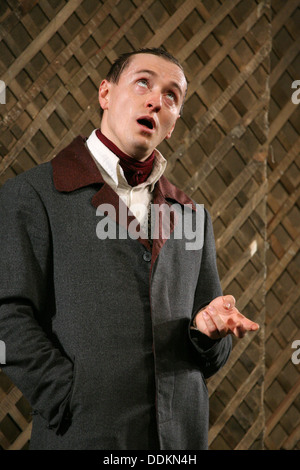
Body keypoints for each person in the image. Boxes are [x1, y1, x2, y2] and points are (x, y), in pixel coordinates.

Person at [0, 48, 259, 450]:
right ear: (105, 93)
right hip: (81, 436)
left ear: (172, 125)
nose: (157, 99)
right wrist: (66, 394)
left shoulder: (192, 216)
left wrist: (207, 333)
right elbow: (7, 315)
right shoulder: (32, 195)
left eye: (172, 96)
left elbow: (211, 349)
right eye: (143, 83)